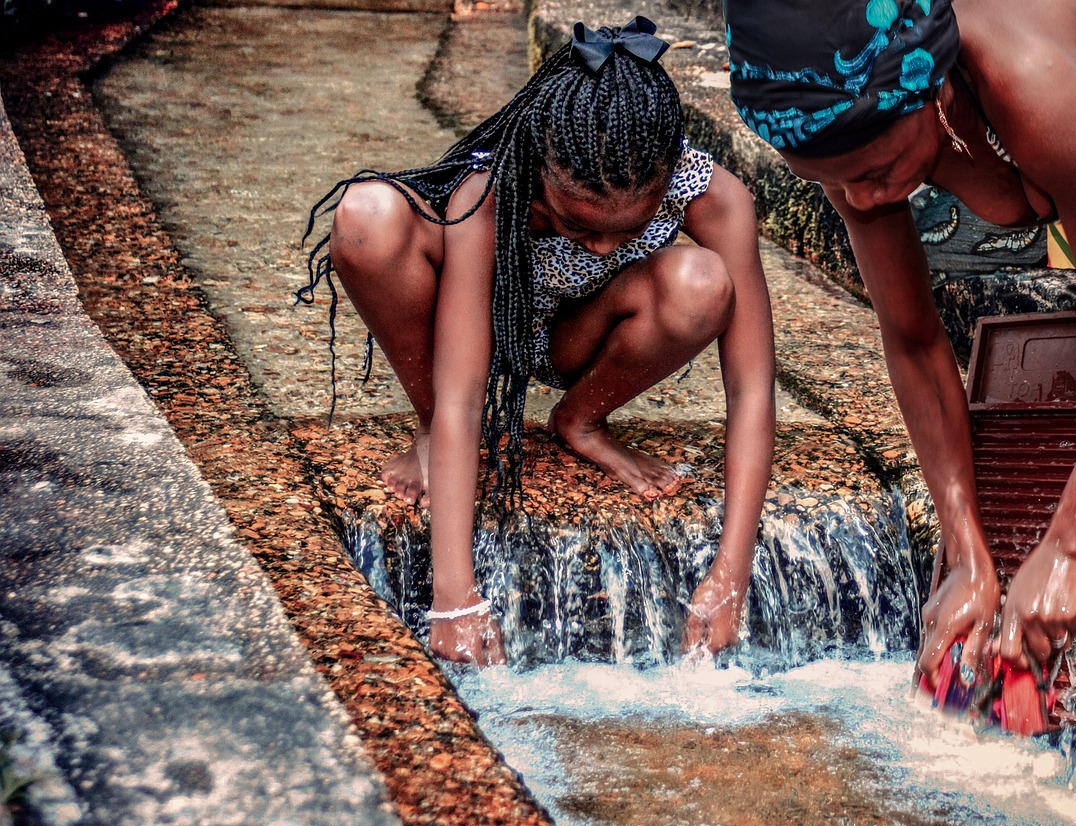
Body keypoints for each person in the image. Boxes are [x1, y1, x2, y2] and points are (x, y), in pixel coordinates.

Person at [723, 0, 1076, 692]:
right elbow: (914, 337)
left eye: (875, 171)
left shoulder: (1031, 83)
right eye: (829, 181)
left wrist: (1069, 547)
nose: (856, 201)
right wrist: (965, 553)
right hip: (1043, 124)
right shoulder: (843, 128)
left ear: (932, 89)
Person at [300, 17, 776, 666]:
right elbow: (467, 397)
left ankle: (579, 419)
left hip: (577, 337)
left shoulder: (715, 197)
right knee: (366, 215)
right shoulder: (491, 186)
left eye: (627, 230)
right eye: (579, 226)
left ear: (669, 175)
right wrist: (455, 598)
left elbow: (751, 388)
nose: (606, 247)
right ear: (546, 170)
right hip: (479, 333)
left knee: (703, 279)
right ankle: (425, 432)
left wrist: (732, 573)